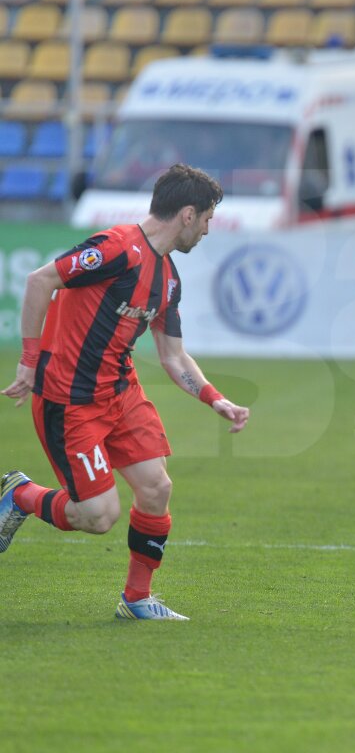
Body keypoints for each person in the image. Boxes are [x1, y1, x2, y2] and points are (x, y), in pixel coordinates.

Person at [0, 163, 250, 620]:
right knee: (97, 516)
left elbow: (174, 357)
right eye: (210, 218)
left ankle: (136, 600)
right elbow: (41, 281)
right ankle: (20, 495)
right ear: (188, 214)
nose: (210, 229)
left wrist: (216, 398)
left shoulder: (168, 279)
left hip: (120, 393)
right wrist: (30, 361)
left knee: (156, 488)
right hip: (70, 400)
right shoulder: (116, 249)